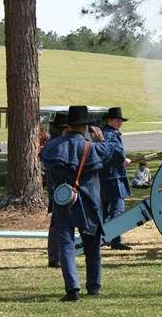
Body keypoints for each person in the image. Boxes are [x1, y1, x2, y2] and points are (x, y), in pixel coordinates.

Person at [39, 105, 125, 301]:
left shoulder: (53, 147)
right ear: (86, 127)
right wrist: (102, 140)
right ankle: (93, 287)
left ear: (68, 126)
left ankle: (72, 289)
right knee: (92, 247)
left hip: (64, 201)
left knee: (66, 246)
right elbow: (119, 157)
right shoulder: (95, 148)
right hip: (90, 202)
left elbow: (44, 160)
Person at [99, 107, 133, 250]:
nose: (119, 123)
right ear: (109, 120)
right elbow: (111, 152)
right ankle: (116, 240)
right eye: (117, 120)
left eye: (121, 121)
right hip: (113, 176)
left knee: (105, 210)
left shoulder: (105, 132)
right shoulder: (110, 135)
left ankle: (103, 238)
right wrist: (122, 160)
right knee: (117, 209)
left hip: (106, 176)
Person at [44, 112, 68, 269]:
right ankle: (55, 257)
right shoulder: (57, 145)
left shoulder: (52, 144)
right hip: (60, 188)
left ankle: (57, 256)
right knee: (58, 224)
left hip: (56, 187)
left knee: (57, 223)